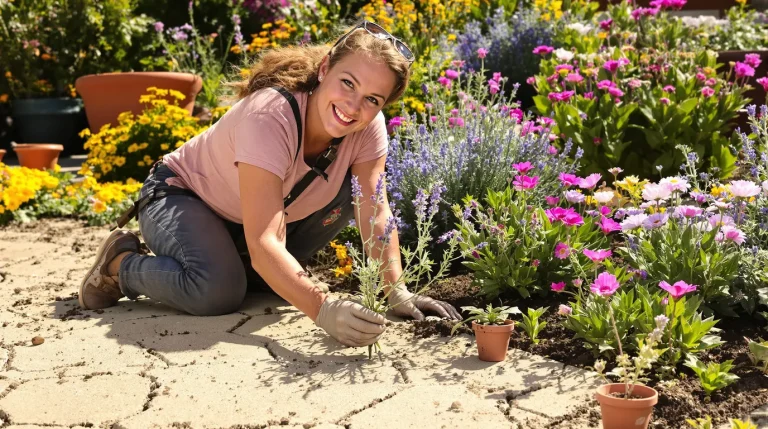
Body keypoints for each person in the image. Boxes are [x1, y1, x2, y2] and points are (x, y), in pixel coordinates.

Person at [78, 20, 461, 348]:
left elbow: (375, 210)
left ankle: (226, 264)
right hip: (182, 197)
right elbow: (264, 246)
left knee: (353, 194)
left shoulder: (367, 130)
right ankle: (119, 265)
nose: (353, 106)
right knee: (217, 292)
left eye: (372, 99)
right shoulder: (271, 115)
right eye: (348, 83)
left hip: (245, 220)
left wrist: (396, 290)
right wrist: (321, 306)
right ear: (325, 68)